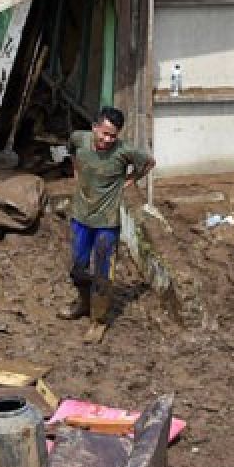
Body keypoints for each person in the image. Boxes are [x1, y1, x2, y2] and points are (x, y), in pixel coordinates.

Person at [58, 106, 156, 343]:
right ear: (94, 128)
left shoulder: (124, 152)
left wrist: (130, 180)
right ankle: (83, 302)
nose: (107, 140)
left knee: (103, 271)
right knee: (78, 267)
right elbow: (71, 148)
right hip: (81, 216)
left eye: (113, 135)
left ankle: (98, 321)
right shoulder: (80, 139)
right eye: (104, 134)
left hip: (107, 223)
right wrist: (76, 169)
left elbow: (148, 162)